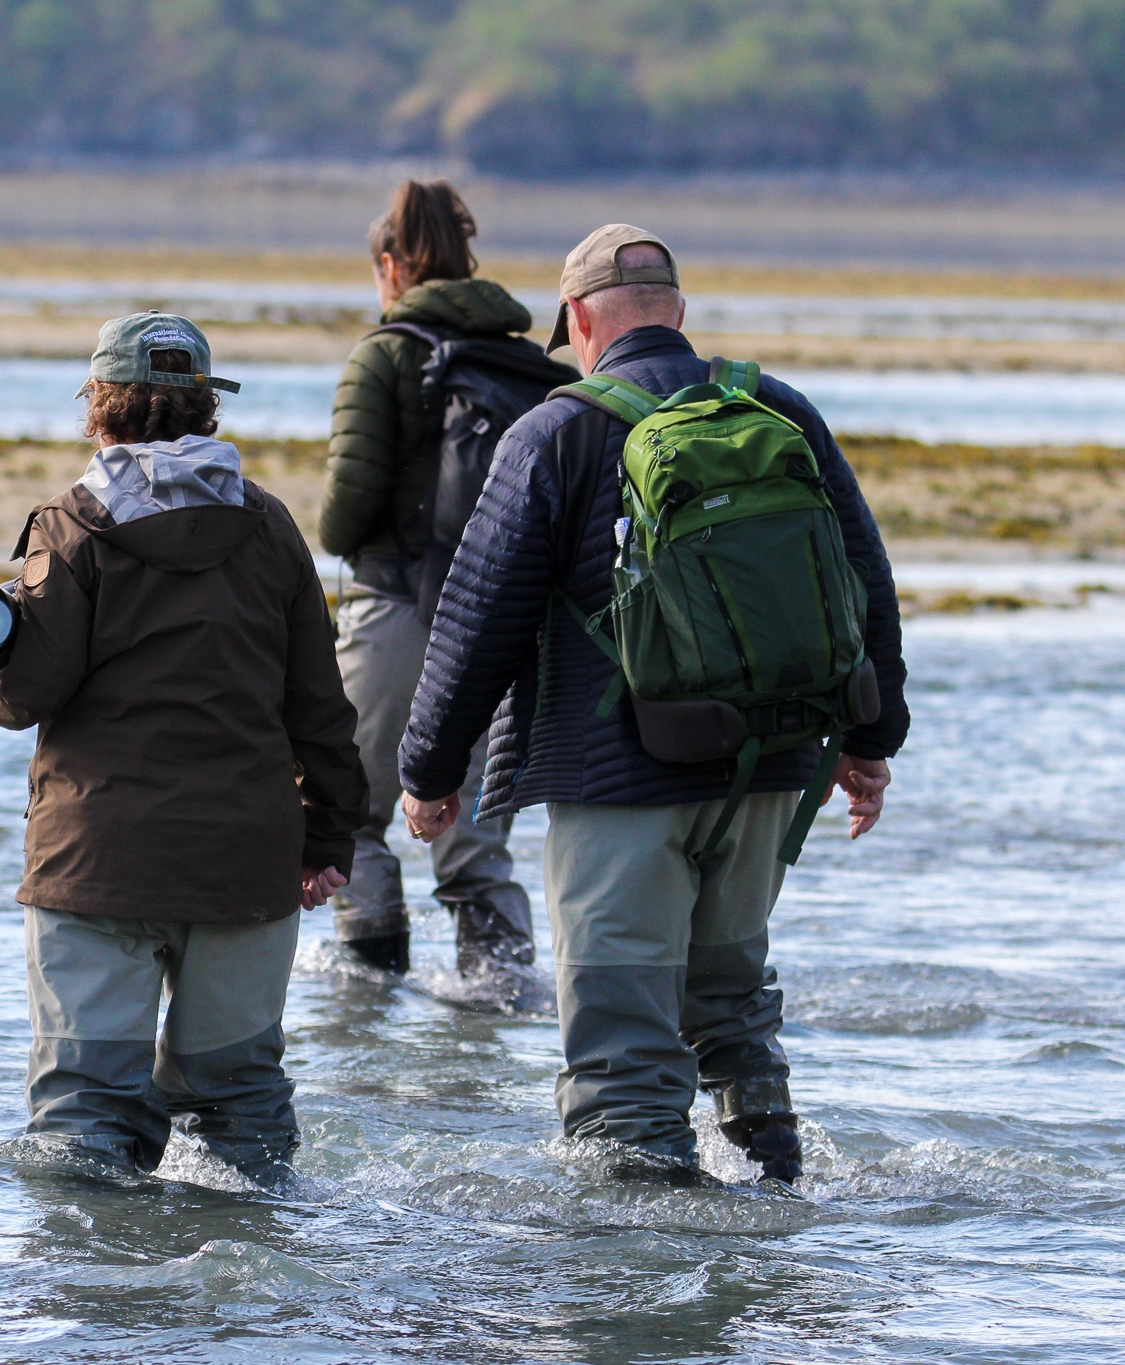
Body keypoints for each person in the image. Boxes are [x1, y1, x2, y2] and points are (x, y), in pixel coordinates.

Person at [398, 225, 908, 1186]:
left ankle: (636, 1282)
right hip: (770, 768)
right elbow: (862, 580)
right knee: (732, 1000)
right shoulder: (779, 410)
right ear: (676, 311)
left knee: (621, 1044)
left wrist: (428, 772)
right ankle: (775, 1196)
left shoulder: (555, 430)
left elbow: (479, 615)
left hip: (618, 778)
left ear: (580, 320)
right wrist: (871, 740)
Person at [0, 312, 366, 1185]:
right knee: (242, 1113)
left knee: (83, 1123)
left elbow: (23, 692)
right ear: (207, 408)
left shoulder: (70, 528)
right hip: (245, 862)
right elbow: (320, 709)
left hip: (95, 863)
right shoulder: (271, 527)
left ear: (99, 409)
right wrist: (326, 841)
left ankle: (99, 1309)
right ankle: (243, 1310)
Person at [319, 179, 537, 978]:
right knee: (474, 845)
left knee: (349, 811)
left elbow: (343, 517)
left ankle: (368, 990)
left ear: (389, 267)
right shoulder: (519, 358)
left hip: (396, 613)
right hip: (503, 629)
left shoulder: (383, 354)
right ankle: (501, 994)